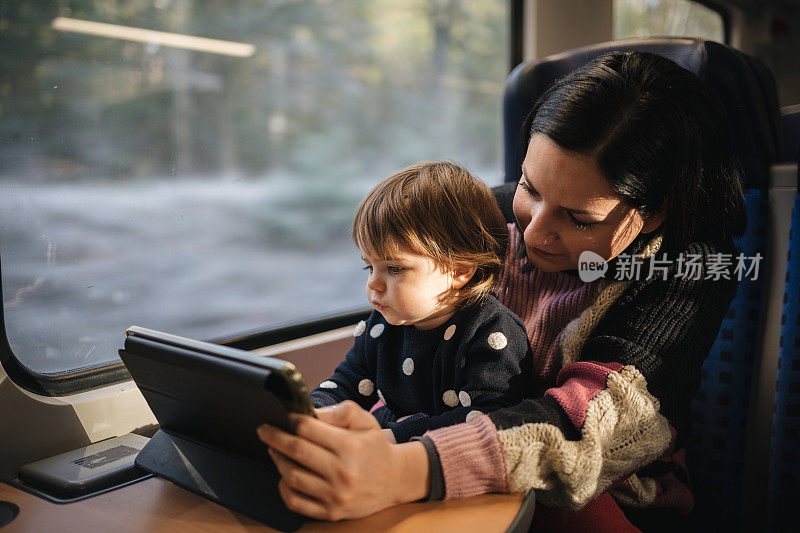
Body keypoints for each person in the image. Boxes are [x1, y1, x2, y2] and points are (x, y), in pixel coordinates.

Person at [257, 51, 746, 531]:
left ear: (653, 212)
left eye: (579, 219)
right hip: (437, 455)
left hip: (601, 502)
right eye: (530, 188)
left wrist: (403, 466)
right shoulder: (483, 221)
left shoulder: (687, 270)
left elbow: (591, 427)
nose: (532, 234)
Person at [309, 161, 533, 444]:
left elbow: (489, 417)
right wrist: (310, 413)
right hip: (389, 438)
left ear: (459, 271)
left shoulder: (491, 332)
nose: (373, 285)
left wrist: (396, 436)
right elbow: (347, 383)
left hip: (444, 453)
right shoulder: (382, 324)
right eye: (369, 267)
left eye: (394, 269)